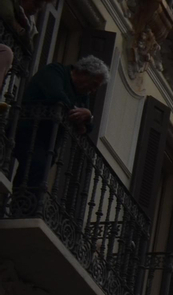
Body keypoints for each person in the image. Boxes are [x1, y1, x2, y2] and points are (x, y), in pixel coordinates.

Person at [15, 55, 107, 194]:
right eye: (94, 84)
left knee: (34, 176)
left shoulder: (82, 94)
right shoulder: (55, 71)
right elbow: (56, 96)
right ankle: (22, 208)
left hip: (48, 144)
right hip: (27, 130)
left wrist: (88, 116)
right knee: (34, 170)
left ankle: (21, 207)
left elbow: (87, 126)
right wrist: (77, 115)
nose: (93, 90)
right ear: (83, 73)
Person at [0, 0, 49, 93]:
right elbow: (6, 14)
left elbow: (29, 47)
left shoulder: (27, 22)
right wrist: (20, 29)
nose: (35, 10)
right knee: (6, 52)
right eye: (36, 4)